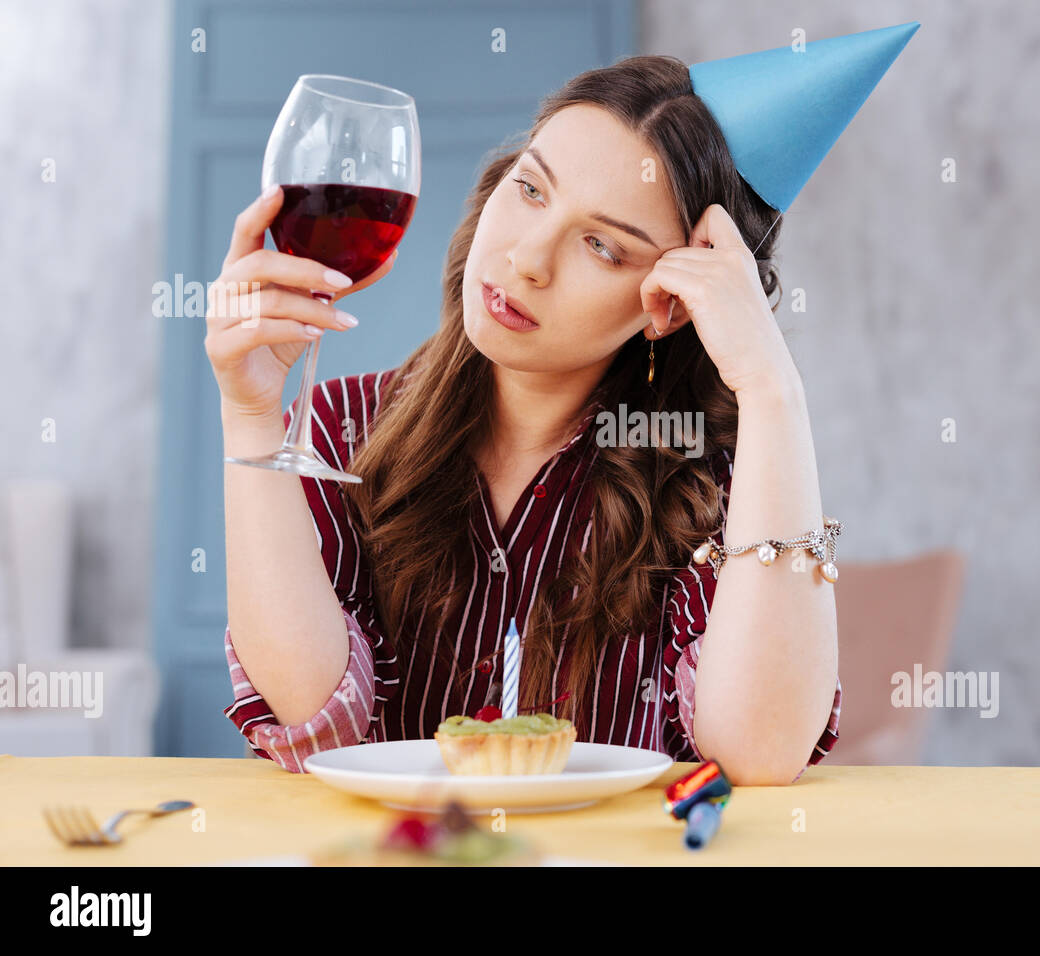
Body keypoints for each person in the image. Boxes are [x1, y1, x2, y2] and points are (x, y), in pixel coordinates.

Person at [207, 55, 847, 785]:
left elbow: (756, 755)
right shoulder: (338, 426)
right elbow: (316, 722)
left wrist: (773, 392)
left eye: (604, 247)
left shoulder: (713, 480)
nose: (529, 258)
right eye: (532, 189)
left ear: (669, 301)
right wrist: (250, 415)